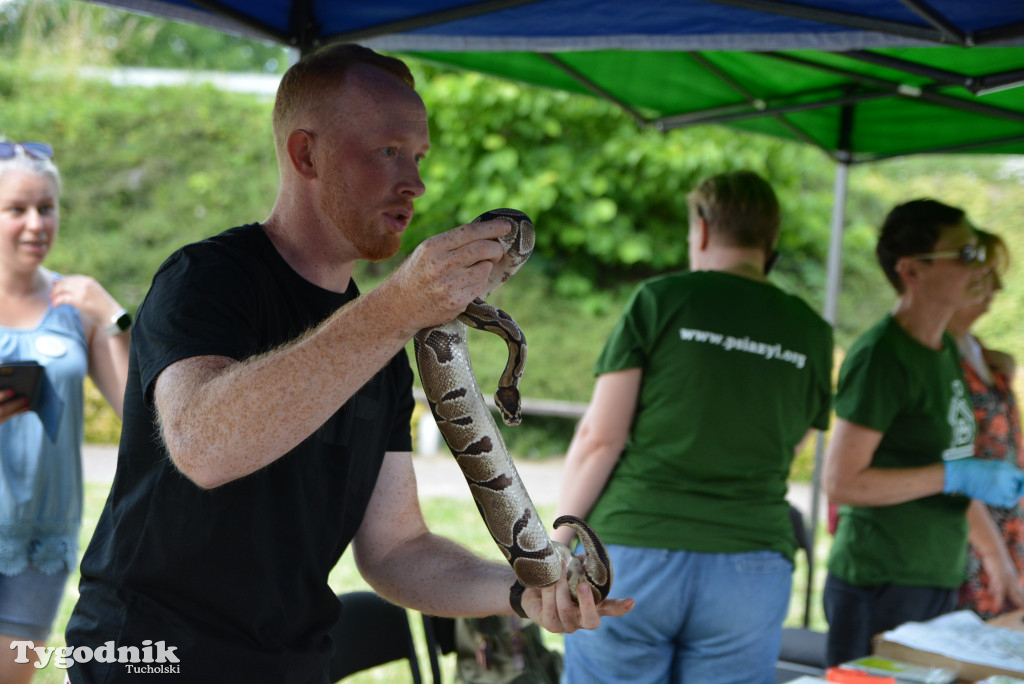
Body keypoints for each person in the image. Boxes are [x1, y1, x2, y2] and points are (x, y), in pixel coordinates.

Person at [63, 44, 632, 684]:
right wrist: (397, 309)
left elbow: (397, 549)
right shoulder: (208, 280)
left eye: (418, 157)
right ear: (307, 154)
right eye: (387, 151)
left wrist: (521, 591)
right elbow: (202, 445)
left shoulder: (381, 338)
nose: (414, 181)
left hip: (292, 664)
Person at [552, 170, 834, 684]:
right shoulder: (812, 330)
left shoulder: (661, 300)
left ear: (701, 229)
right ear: (769, 241)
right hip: (750, 567)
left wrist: (560, 537)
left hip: (634, 549)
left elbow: (601, 438)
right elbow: (796, 439)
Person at [823, 199, 1024, 666]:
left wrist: (995, 556)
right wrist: (953, 477)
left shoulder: (945, 353)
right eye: (966, 255)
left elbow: (955, 468)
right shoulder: (882, 356)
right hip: (881, 580)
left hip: (936, 576)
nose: (981, 268)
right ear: (911, 271)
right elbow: (842, 482)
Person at [0, 138, 130, 684]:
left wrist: (116, 318)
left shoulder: (75, 305)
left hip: (41, 536)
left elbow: (146, 413)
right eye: (16, 209)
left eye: (46, 208)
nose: (36, 224)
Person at [947, 229, 1024, 618]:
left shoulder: (979, 352)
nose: (997, 286)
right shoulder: (937, 357)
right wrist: (995, 554)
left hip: (1005, 536)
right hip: (970, 546)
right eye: (986, 272)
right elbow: (948, 463)